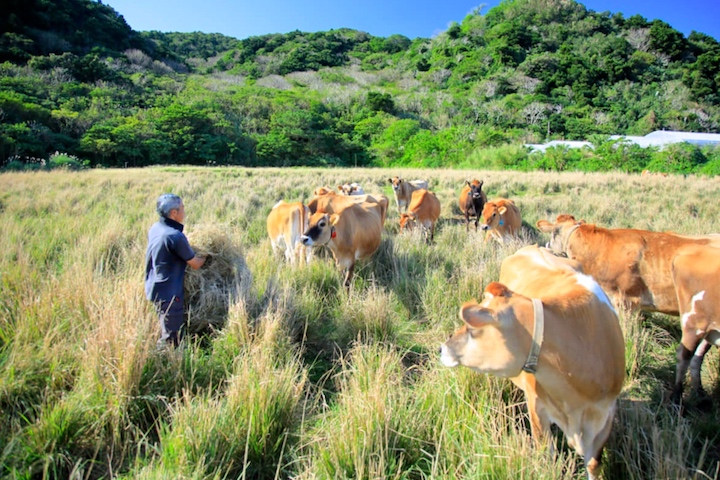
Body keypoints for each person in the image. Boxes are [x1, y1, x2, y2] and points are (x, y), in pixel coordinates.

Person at [145, 193, 205, 347]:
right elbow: (196, 264)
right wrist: (208, 255)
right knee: (171, 337)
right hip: (170, 294)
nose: (184, 212)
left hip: (154, 286)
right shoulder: (175, 237)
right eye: (182, 208)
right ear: (174, 213)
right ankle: (166, 363)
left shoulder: (156, 228)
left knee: (164, 323)